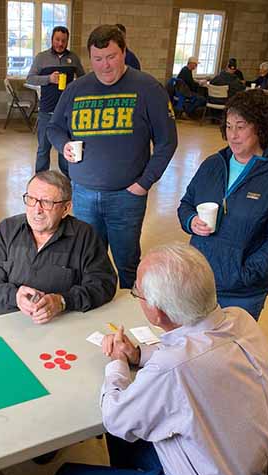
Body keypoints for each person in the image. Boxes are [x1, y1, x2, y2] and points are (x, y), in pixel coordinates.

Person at [52, 243, 268, 475]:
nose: (136, 297)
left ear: (158, 312)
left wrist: (118, 363)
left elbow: (116, 418)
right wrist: (138, 354)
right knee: (127, 443)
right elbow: (192, 353)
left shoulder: (172, 369)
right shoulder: (240, 319)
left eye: (138, 293)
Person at [47, 24, 178, 290]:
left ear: (124, 53)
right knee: (86, 262)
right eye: (97, 59)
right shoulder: (77, 89)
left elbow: (167, 142)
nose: (105, 66)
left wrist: (143, 184)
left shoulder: (148, 88)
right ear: (90, 58)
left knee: (128, 263)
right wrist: (64, 145)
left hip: (126, 197)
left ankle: (131, 322)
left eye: (111, 57)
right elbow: (54, 127)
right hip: (83, 194)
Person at [177, 88, 268, 320]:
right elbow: (186, 204)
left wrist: (245, 273)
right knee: (195, 349)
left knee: (233, 350)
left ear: (261, 128)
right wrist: (191, 221)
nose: (233, 135)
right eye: (229, 126)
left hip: (243, 292)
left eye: (241, 127)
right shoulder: (213, 165)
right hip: (199, 280)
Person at [0, 170, 117, 323]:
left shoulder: (84, 236)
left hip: (63, 322)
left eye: (47, 203)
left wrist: (63, 301)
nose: (37, 209)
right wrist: (15, 296)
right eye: (31, 199)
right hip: (10, 320)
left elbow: (104, 285)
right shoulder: (7, 229)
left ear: (65, 209)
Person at [26, 25, 85, 176]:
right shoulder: (41, 57)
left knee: (65, 147)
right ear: (51, 39)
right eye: (57, 40)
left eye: (64, 41)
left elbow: (83, 80)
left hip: (67, 113)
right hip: (47, 111)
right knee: (43, 148)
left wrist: (74, 87)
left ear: (67, 41)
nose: (60, 44)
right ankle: (40, 178)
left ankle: (68, 179)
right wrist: (49, 79)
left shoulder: (74, 58)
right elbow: (30, 78)